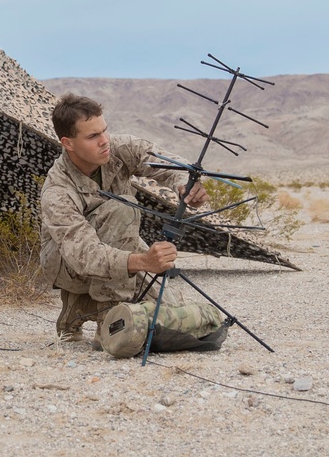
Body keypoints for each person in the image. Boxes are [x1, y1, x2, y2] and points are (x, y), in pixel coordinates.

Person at [39, 93, 230, 357]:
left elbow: (162, 160)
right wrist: (142, 262)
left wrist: (184, 183)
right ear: (68, 143)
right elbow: (84, 255)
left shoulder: (117, 149)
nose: (104, 141)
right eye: (93, 136)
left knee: (171, 310)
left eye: (104, 130)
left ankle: (79, 307)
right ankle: (108, 315)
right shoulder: (57, 191)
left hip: (114, 246)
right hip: (68, 264)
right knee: (122, 207)